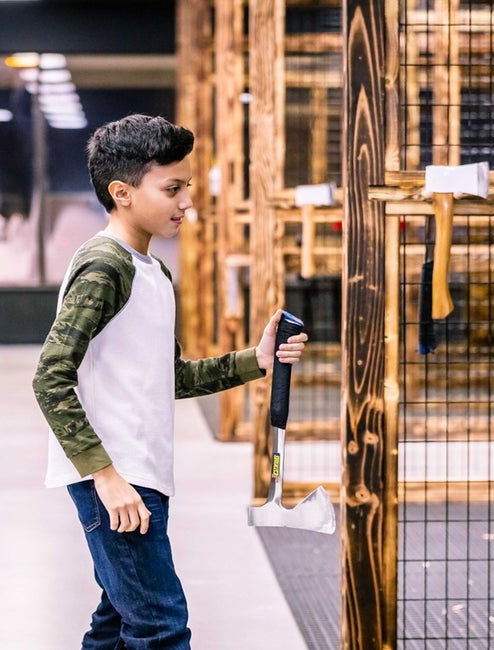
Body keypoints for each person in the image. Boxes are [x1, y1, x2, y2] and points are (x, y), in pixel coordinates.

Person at [32, 113, 308, 649]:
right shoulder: (105, 267)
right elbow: (50, 376)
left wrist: (256, 360)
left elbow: (170, 378)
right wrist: (106, 478)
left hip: (140, 473)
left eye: (187, 187)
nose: (187, 202)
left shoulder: (152, 272)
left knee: (117, 623)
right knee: (161, 627)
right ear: (122, 193)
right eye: (172, 189)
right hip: (117, 479)